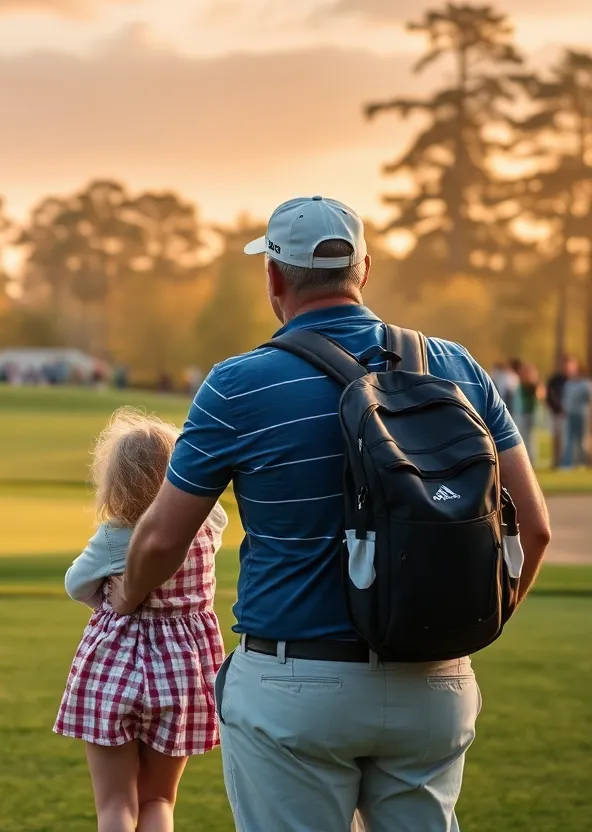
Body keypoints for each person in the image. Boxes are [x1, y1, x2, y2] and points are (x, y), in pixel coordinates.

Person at [113, 196, 550, 832]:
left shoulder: (240, 384)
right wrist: (462, 630)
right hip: (436, 684)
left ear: (274, 278)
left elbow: (160, 539)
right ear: (363, 270)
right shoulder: (458, 368)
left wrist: (126, 600)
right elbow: (531, 530)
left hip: (295, 685)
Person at [55, 408, 227, 832]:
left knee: (115, 803)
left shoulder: (116, 536)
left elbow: (76, 584)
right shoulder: (210, 522)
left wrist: (110, 598)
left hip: (115, 667)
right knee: (160, 800)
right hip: (182, 669)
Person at [560, 358, 591, 469]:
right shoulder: (568, 384)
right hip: (570, 414)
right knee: (569, 439)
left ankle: (583, 462)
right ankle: (568, 464)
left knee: (582, 439)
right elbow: (565, 399)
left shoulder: (586, 384)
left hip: (582, 414)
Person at [514, 359, 541, 463]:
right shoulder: (519, 385)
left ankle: (530, 460)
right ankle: (525, 459)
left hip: (531, 413)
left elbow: (540, 396)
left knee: (530, 438)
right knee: (523, 437)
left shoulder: (533, 385)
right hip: (521, 413)